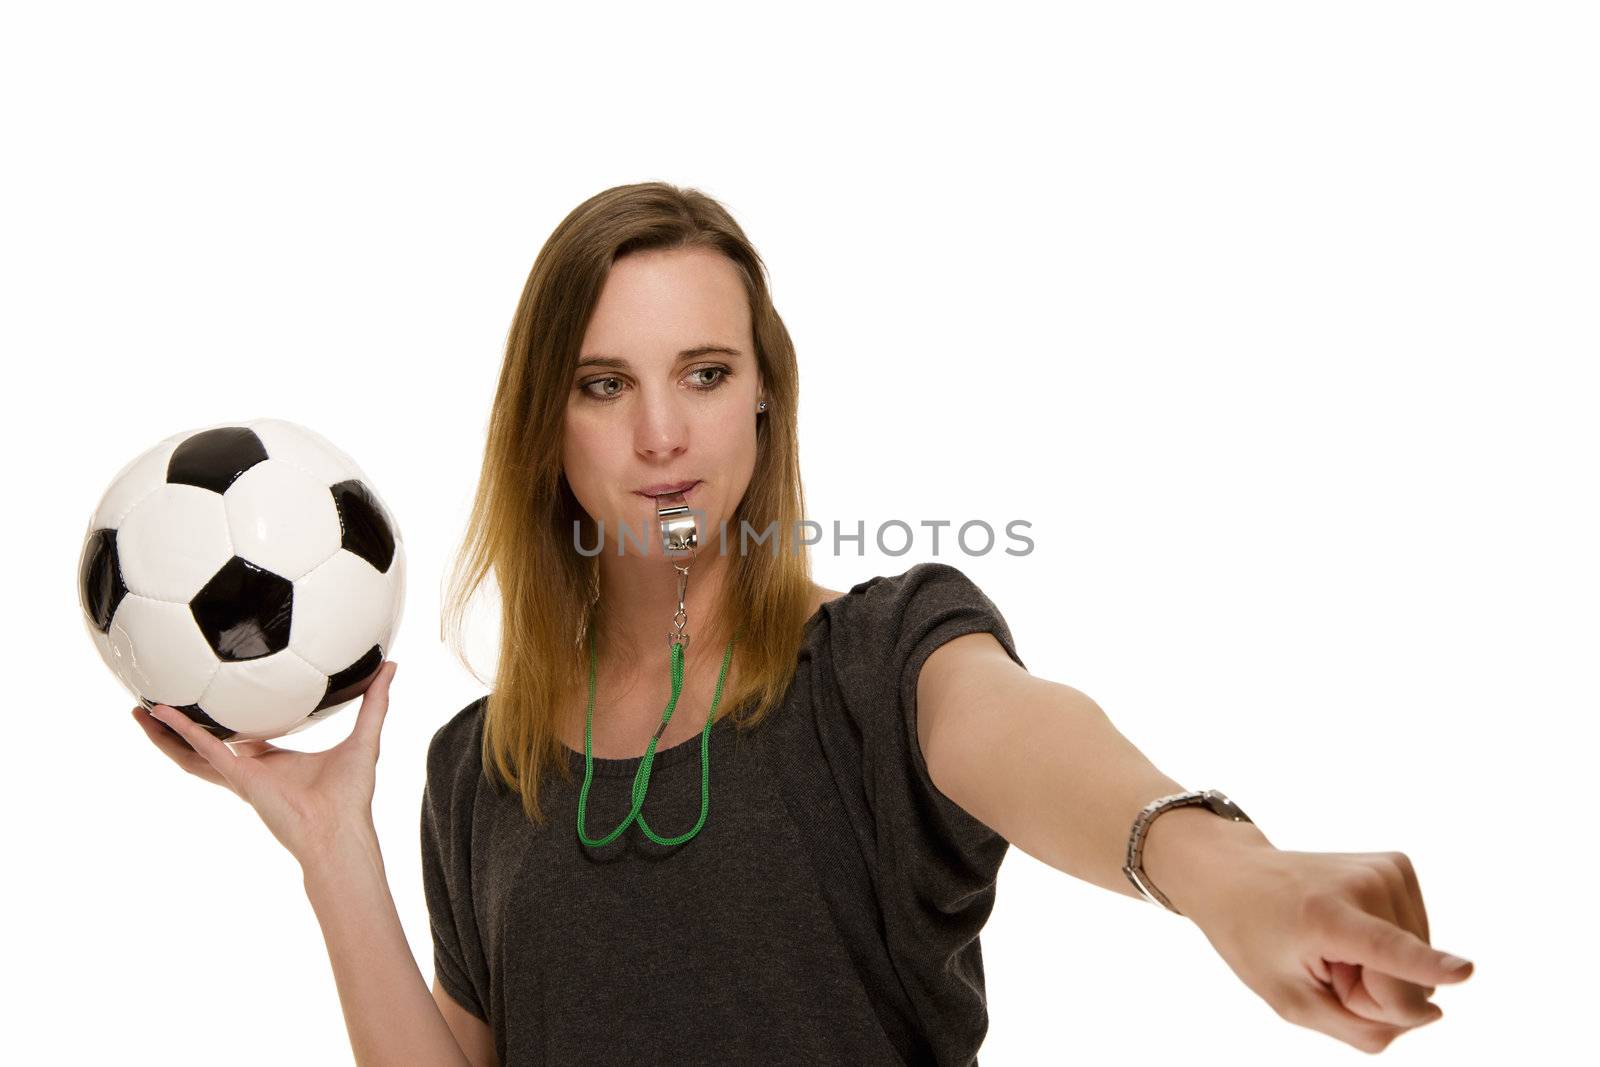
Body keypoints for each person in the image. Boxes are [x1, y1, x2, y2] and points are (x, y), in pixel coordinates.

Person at [135, 181, 1474, 1066]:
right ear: (548, 423)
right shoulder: (477, 767)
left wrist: (1228, 876)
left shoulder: (880, 657)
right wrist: (329, 844)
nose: (662, 436)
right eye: (606, 384)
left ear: (765, 398)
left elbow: (1021, 730)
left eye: (704, 375)